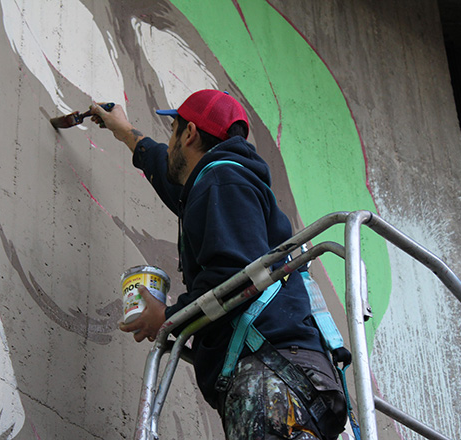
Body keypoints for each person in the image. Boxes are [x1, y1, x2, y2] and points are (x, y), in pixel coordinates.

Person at [91, 90, 346, 439]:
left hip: (273, 375)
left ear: (190, 133)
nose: (170, 144)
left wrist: (168, 318)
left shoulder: (221, 182)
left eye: (173, 132)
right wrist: (125, 132)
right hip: (293, 375)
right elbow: (170, 177)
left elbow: (235, 278)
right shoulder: (226, 182)